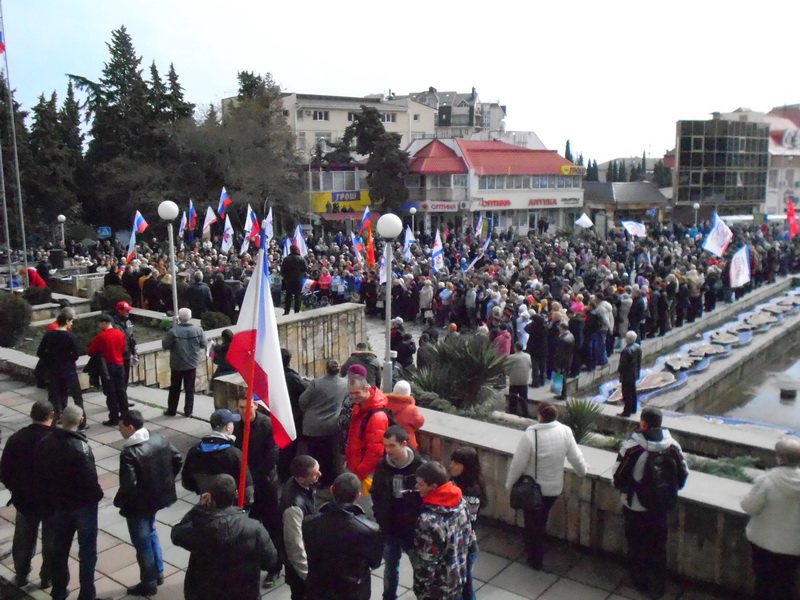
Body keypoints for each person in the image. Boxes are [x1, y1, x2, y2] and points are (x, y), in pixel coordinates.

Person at [34, 405, 109, 600]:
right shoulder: (80, 447)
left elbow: (40, 473)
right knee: (87, 552)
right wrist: (97, 495)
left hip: (59, 505)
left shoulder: (46, 442)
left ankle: (59, 590)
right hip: (83, 506)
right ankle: (87, 594)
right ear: (81, 421)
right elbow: (90, 479)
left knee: (59, 549)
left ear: (60, 418)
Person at [613, 406, 688, 598]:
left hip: (636, 506)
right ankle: (658, 585)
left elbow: (618, 477)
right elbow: (683, 474)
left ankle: (640, 582)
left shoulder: (632, 448)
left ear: (643, 423)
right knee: (658, 546)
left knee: (636, 544)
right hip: (661, 506)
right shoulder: (673, 446)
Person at [505, 401, 587, 569]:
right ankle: (535, 550)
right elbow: (576, 458)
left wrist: (509, 484)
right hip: (554, 489)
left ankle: (535, 558)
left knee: (532, 523)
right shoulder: (565, 431)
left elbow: (517, 464)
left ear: (540, 416)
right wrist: (582, 471)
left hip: (533, 490)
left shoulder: (531, 435)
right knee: (541, 519)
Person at [171, 473, 278, 600]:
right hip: (244, 593)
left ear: (209, 497)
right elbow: (270, 560)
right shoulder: (254, 528)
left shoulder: (201, 529)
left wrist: (198, 508)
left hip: (207, 593)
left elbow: (176, 534)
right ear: (236, 494)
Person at [114, 410, 183, 596]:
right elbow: (177, 458)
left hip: (138, 506)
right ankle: (158, 572)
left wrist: (122, 502)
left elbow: (128, 485)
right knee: (151, 533)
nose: (119, 430)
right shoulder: (159, 438)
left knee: (142, 542)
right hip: (157, 498)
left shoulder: (129, 453)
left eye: (121, 426)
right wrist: (165, 481)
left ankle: (149, 582)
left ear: (130, 427)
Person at [303, 472, 383, 600]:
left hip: (320, 590)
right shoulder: (370, 530)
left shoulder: (310, 523)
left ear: (332, 490)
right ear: (358, 496)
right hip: (353, 591)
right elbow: (375, 563)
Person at [0, 400, 55, 588]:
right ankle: (47, 577)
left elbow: (4, 471)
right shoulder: (57, 440)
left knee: (23, 539)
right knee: (51, 540)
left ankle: (21, 574)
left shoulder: (16, 438)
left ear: (31, 415)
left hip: (25, 500)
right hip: (51, 501)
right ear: (52, 415)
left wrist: (16, 489)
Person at [740, 437, 800, 600]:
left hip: (764, 542)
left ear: (781, 458)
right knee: (786, 583)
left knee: (763, 582)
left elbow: (748, 506)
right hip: (794, 546)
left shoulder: (767, 480)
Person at [370, 425, 425, 600]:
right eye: (385, 445)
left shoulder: (420, 467)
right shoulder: (382, 466)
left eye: (392, 446)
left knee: (420, 569)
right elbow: (376, 493)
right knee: (390, 568)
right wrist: (379, 516)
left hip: (413, 530)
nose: (388, 450)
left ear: (404, 444)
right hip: (390, 528)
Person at [411, 461, 472, 600]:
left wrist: (420, 588)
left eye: (420, 484)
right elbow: (467, 539)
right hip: (457, 578)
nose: (416, 487)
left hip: (437, 589)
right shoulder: (462, 503)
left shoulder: (428, 521)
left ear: (433, 486)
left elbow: (426, 564)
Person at [181, 409, 254, 505]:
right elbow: (247, 488)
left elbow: (186, 482)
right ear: (228, 427)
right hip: (230, 504)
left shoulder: (194, 450)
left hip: (205, 501)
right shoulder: (234, 454)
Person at [299, 358, 348, 487]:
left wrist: (309, 412)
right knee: (332, 456)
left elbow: (302, 401)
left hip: (312, 426)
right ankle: (331, 481)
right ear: (339, 370)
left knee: (314, 456)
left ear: (326, 369)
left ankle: (315, 481)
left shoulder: (316, 383)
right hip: (332, 426)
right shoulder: (345, 384)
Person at [277, 455, 321, 600]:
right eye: (315, 474)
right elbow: (294, 546)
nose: (320, 475)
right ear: (302, 479)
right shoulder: (294, 508)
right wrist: (307, 576)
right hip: (300, 572)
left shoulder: (299, 483)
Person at [37, 309, 86, 426]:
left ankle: (52, 422)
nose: (72, 324)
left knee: (54, 398)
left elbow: (40, 352)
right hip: (68, 371)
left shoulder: (49, 335)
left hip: (53, 371)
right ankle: (82, 422)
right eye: (71, 321)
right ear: (67, 321)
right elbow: (76, 355)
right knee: (77, 397)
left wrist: (51, 360)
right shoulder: (70, 336)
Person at [449, 447, 486, 600]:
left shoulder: (472, 491)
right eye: (452, 461)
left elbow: (465, 520)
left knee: (463, 586)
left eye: (457, 463)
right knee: (464, 584)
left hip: (465, 546)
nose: (451, 465)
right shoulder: (454, 482)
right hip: (458, 544)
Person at [345, 364, 391, 483]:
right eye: (351, 393)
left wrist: (360, 473)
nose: (354, 397)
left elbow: (375, 452)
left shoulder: (376, 416)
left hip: (365, 473)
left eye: (357, 393)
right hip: (356, 465)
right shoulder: (362, 405)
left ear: (366, 389)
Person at [162, 307, 206, 417]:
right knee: (190, 389)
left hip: (177, 364)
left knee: (174, 389)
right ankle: (188, 412)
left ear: (179, 318)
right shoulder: (198, 330)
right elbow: (203, 344)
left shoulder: (173, 331)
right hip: (191, 364)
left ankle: (171, 410)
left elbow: (165, 345)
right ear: (190, 317)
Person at [87, 313, 128, 427]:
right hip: (120, 365)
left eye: (100, 323)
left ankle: (114, 418)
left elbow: (90, 352)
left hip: (107, 367)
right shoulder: (120, 333)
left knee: (111, 393)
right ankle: (125, 415)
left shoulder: (101, 337)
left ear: (104, 323)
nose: (99, 326)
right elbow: (123, 349)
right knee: (121, 391)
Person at [278, 348, 309, 482]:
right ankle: (287, 475)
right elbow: (306, 389)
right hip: (292, 416)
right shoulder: (291, 377)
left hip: (278, 414)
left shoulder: (273, 375)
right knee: (290, 448)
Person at [385, 380, 424, 451]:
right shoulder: (411, 409)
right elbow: (420, 422)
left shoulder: (385, 404)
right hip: (406, 446)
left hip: (387, 444)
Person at [109, 300, 138, 392]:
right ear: (120, 311)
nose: (128, 312)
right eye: (126, 310)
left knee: (125, 378)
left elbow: (131, 338)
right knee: (119, 379)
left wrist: (134, 353)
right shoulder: (114, 324)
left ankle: (123, 396)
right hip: (118, 356)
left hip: (127, 354)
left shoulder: (128, 322)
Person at [618, 331, 643, 417]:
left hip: (627, 375)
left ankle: (626, 411)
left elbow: (623, 364)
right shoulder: (637, 347)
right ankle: (633, 408)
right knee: (633, 391)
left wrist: (620, 370)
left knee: (627, 393)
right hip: (634, 373)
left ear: (628, 339)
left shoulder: (627, 350)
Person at [505, 342, 531, 417]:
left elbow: (506, 369)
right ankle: (525, 413)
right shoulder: (528, 356)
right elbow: (530, 366)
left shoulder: (511, 357)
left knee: (513, 397)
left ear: (515, 348)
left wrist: (509, 374)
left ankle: (513, 412)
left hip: (514, 381)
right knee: (524, 398)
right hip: (524, 380)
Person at [281, 244, 307, 315]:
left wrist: (286, 276)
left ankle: (287, 311)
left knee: (288, 295)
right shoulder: (301, 258)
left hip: (288, 280)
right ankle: (297, 311)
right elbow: (305, 268)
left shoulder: (286, 259)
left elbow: (282, 270)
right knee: (297, 295)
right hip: (298, 280)